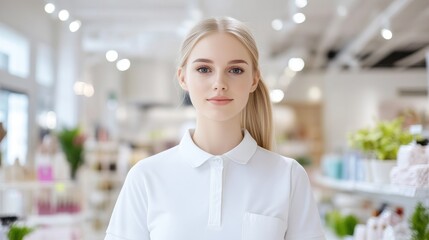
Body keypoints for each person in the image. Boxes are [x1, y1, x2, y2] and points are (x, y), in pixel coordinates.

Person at [105, 16, 325, 240]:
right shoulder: (146, 177)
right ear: (183, 78)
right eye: (203, 69)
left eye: (236, 70)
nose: (219, 83)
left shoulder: (288, 176)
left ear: (254, 79)